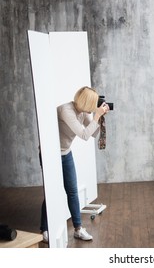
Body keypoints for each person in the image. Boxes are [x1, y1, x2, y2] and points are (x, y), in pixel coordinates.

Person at [40, 86, 110, 242]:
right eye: (93, 103)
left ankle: (78, 229)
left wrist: (101, 117)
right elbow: (84, 135)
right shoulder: (67, 110)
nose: (94, 107)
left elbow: (93, 134)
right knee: (51, 192)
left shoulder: (83, 112)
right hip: (50, 155)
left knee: (72, 191)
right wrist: (96, 116)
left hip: (65, 153)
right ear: (86, 102)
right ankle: (45, 229)